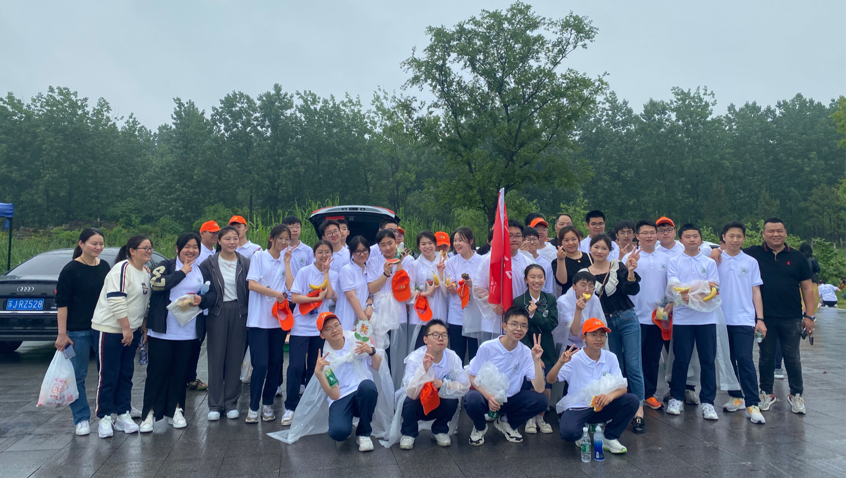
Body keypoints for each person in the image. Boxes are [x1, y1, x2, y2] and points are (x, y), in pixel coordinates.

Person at [712, 218, 815, 414]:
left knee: (792, 357)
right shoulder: (754, 254)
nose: (775, 234)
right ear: (763, 234)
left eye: (779, 231)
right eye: (771, 231)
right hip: (764, 317)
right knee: (766, 357)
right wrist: (716, 250)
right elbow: (731, 250)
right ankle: (766, 393)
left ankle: (796, 394)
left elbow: (808, 288)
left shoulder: (797, 257)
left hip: (791, 316)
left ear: (785, 233)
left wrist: (809, 316)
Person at [140, 232, 216, 432]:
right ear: (177, 249)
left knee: (180, 373)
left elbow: (213, 293)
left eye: (195, 247)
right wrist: (182, 272)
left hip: (188, 332)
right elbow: (156, 284)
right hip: (163, 331)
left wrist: (202, 300)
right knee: (157, 372)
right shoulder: (166, 266)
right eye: (186, 247)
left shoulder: (202, 271)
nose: (191, 251)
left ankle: (176, 410)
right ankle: (149, 414)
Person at [91, 235, 153, 438]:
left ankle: (123, 413)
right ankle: (104, 416)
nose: (149, 251)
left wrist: (142, 328)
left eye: (150, 248)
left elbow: (144, 304)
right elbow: (116, 299)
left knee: (126, 373)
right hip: (110, 329)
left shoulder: (145, 273)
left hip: (132, 331)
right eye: (144, 248)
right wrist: (125, 328)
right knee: (108, 374)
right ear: (132, 251)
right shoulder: (122, 269)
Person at [582, 234, 645, 433]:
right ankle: (615, 407)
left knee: (634, 365)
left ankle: (639, 409)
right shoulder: (584, 273)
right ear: (590, 249)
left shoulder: (618, 267)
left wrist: (631, 271)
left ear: (610, 251)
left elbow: (631, 290)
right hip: (603, 325)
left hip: (626, 318)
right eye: (596, 247)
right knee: (613, 366)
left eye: (604, 248)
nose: (600, 251)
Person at [546, 318, 637, 455]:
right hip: (578, 406)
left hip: (602, 405)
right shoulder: (574, 357)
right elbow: (550, 379)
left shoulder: (610, 357)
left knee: (632, 400)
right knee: (569, 433)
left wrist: (609, 396)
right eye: (593, 335)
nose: (598, 339)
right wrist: (560, 362)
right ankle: (581, 429)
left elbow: (622, 387)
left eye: (602, 335)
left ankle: (610, 437)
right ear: (584, 338)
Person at [465, 307, 549, 445]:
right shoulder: (487, 347)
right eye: (514, 324)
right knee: (471, 399)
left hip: (510, 399)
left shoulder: (526, 352)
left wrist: (536, 360)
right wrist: (489, 397)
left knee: (541, 401)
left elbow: (539, 388)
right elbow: (472, 376)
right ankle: (480, 427)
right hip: (487, 397)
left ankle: (507, 422)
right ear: (504, 326)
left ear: (527, 329)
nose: (518, 329)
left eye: (523, 326)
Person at [55, 228, 110, 436]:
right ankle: (81, 418)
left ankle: (109, 413)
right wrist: (62, 334)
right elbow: (62, 304)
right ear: (81, 244)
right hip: (77, 331)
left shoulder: (104, 266)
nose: (98, 247)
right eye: (93, 243)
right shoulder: (71, 269)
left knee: (108, 372)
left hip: (102, 327)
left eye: (101, 244)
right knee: (77, 375)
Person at [666, 224, 720, 420]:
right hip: (683, 318)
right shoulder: (674, 261)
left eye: (695, 236)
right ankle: (676, 398)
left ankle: (708, 402)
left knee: (708, 360)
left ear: (701, 239)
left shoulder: (709, 262)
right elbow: (674, 289)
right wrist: (702, 286)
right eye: (687, 236)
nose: (691, 239)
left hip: (707, 318)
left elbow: (714, 289)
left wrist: (689, 291)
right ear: (680, 240)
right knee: (681, 359)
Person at [284, 240, 339, 425]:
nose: (323, 255)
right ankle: (290, 406)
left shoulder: (332, 273)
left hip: (320, 328)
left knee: (315, 367)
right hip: (301, 326)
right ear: (314, 254)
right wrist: (314, 298)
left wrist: (326, 273)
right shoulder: (304, 271)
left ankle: (310, 406)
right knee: (295, 366)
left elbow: (330, 295)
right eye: (320, 252)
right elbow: (295, 297)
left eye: (327, 252)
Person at [199, 226, 251, 421]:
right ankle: (215, 404)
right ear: (219, 241)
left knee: (235, 358)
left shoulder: (245, 262)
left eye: (235, 238)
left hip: (239, 312)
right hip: (217, 311)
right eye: (227, 238)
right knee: (216, 357)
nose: (232, 242)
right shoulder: (209, 263)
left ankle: (231, 403)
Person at [245, 225, 296, 423]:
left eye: (287, 239)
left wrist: (288, 263)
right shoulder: (259, 257)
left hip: (278, 320)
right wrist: (275, 294)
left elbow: (290, 286)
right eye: (280, 238)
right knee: (260, 364)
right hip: (258, 320)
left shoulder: (286, 259)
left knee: (275, 363)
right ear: (271, 238)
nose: (283, 242)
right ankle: (252, 407)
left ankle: (267, 404)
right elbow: (252, 284)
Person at [717, 222, 766, 424]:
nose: (735, 240)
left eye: (739, 236)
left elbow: (756, 291)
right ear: (724, 237)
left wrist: (760, 319)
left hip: (744, 318)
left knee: (745, 359)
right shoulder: (715, 259)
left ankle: (753, 403)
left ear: (744, 239)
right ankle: (735, 397)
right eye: (731, 236)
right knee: (727, 360)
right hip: (720, 318)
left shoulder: (751, 262)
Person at [313, 312, 383, 452]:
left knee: (368, 387)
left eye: (336, 325)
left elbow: (377, 366)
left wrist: (371, 351)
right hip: (342, 395)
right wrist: (319, 374)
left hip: (362, 390)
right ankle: (346, 422)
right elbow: (335, 394)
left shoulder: (357, 340)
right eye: (328, 329)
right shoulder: (326, 359)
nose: (334, 330)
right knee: (338, 433)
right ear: (322, 335)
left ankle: (364, 433)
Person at [397, 319, 470, 449]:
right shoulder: (415, 357)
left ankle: (440, 430)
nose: (440, 338)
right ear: (425, 339)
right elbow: (410, 390)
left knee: (452, 398)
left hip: (439, 403)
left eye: (444, 335)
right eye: (435, 335)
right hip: (418, 402)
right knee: (408, 400)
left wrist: (443, 384)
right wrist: (423, 371)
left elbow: (464, 385)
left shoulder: (452, 357)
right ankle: (409, 433)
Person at [624, 220, 670, 415]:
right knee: (633, 359)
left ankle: (649, 393)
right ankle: (631, 396)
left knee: (653, 357)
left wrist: (670, 304)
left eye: (652, 232)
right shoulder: (629, 257)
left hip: (659, 316)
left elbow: (672, 286)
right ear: (637, 235)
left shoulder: (666, 258)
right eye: (645, 233)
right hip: (634, 315)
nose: (649, 236)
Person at [366, 229, 415, 389]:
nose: (387, 248)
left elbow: (404, 286)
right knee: (381, 351)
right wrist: (385, 274)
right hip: (380, 312)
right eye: (383, 245)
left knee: (398, 352)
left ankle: (397, 388)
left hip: (398, 311)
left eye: (390, 243)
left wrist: (399, 263)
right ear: (378, 247)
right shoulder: (373, 262)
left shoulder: (408, 261)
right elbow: (372, 288)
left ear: (396, 242)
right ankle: (381, 389)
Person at [515, 264, 558, 434]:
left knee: (546, 386)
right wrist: (532, 355)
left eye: (540, 276)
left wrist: (534, 315)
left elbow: (551, 324)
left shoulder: (550, 300)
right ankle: (530, 418)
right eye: (532, 277)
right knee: (531, 385)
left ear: (545, 279)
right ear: (526, 279)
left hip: (546, 348)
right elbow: (519, 330)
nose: (536, 280)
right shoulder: (519, 301)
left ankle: (541, 417)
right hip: (527, 349)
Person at [186, 220, 221, 392]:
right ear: (202, 233)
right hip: (195, 306)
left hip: (210, 305)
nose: (215, 235)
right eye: (211, 232)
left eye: (217, 232)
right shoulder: (197, 254)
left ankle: (190, 376)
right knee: (193, 343)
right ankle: (189, 378)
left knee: (201, 343)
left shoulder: (216, 252)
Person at [473, 220, 535, 315]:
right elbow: (478, 287)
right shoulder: (491, 260)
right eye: (510, 235)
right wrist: (493, 305)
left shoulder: (528, 262)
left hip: (520, 314)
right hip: (497, 316)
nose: (514, 239)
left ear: (522, 238)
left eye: (518, 235)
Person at [444, 228, 483, 363]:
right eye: (455, 241)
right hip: (457, 314)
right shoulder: (451, 262)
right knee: (456, 354)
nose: (457, 244)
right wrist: (451, 288)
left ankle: (473, 377)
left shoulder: (482, 261)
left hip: (476, 314)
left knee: (475, 354)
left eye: (461, 240)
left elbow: (487, 286)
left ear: (471, 241)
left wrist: (473, 285)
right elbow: (452, 287)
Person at [410, 231, 448, 349]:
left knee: (438, 346)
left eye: (430, 243)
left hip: (439, 308)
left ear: (435, 244)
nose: (427, 246)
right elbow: (409, 291)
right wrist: (427, 293)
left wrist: (440, 273)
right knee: (420, 347)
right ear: (418, 246)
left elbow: (448, 291)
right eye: (423, 244)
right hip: (420, 311)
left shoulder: (444, 262)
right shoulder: (414, 265)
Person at [558, 271, 605, 354]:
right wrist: (578, 310)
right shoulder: (563, 301)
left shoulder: (594, 299)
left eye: (591, 286)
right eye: (583, 285)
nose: (587, 290)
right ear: (574, 286)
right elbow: (574, 332)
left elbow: (599, 325)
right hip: (569, 343)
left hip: (590, 343)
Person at [336, 236, 374, 331]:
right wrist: (364, 320)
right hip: (347, 317)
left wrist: (370, 305)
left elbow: (369, 294)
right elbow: (351, 297)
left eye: (365, 250)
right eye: (358, 251)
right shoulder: (347, 270)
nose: (362, 254)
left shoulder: (368, 269)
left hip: (362, 318)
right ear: (351, 252)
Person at [553, 226, 592, 295]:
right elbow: (562, 281)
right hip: (569, 299)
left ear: (578, 239)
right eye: (566, 240)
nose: (571, 243)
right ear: (561, 243)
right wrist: (561, 260)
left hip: (590, 297)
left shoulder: (590, 257)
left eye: (574, 239)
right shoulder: (557, 261)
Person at [520, 227, 554, 294]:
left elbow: (549, 289)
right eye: (529, 239)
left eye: (534, 239)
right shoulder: (518, 261)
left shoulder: (547, 264)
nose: (532, 242)